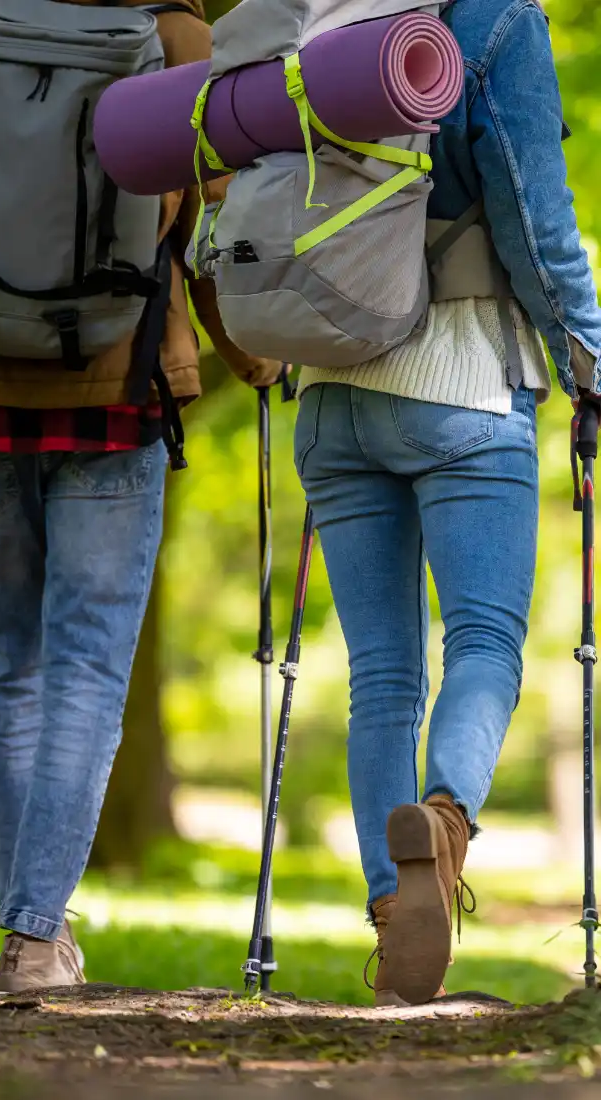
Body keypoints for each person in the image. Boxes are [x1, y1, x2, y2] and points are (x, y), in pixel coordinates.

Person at [0, 0, 278, 995]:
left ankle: (29, 928)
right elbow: (219, 232)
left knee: (17, 662)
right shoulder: (180, 46)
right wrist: (251, 360)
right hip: (114, 387)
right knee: (86, 665)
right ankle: (35, 936)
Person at [293, 0, 601, 1007]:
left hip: (331, 388)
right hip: (462, 378)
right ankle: (442, 818)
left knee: (380, 673)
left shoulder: (318, 11)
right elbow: (529, 212)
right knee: (482, 643)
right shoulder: (494, 21)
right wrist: (584, 358)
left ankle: (396, 927)